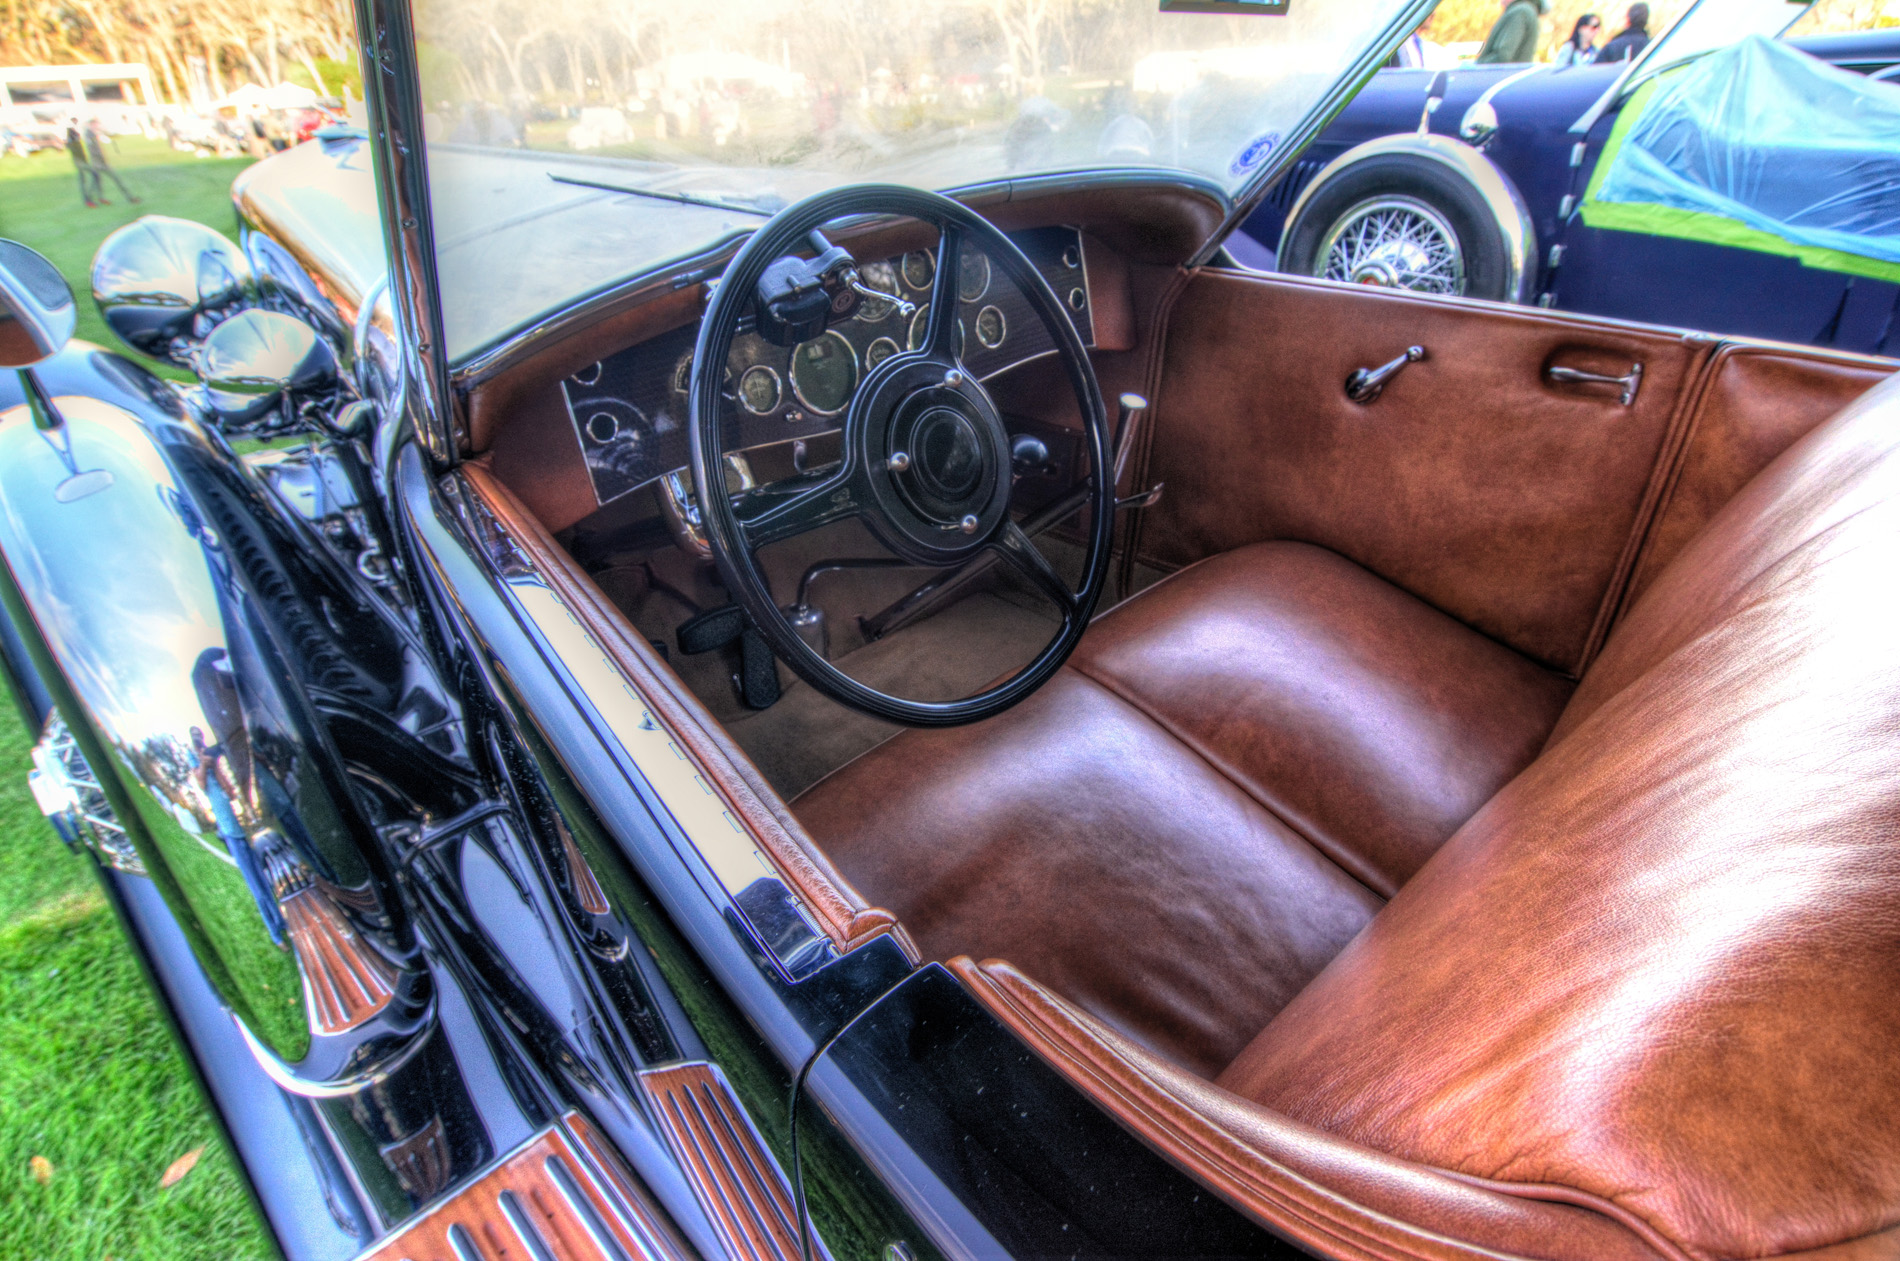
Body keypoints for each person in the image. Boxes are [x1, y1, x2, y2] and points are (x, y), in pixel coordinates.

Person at [189, 725, 287, 947]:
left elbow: (230, 792)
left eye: (201, 739)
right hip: (230, 832)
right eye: (196, 741)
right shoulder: (196, 767)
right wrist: (203, 765)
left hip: (241, 828)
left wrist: (215, 768)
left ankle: (282, 921)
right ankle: (276, 935)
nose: (200, 743)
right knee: (256, 886)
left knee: (264, 878)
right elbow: (201, 784)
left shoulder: (211, 765)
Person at [83, 120, 139, 205]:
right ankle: (130, 197)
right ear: (91, 125)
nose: (97, 126)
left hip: (100, 163)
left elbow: (108, 137)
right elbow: (93, 150)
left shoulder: (93, 134)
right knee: (107, 180)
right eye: (95, 124)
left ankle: (96, 199)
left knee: (97, 182)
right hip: (98, 164)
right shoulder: (89, 135)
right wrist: (101, 160)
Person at [1476, 0, 1549, 64]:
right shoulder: (1524, 10)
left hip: (1502, 77)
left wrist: (1478, 66)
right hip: (1511, 76)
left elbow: (1503, 55)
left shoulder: (1520, 12)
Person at [64, 119, 102, 207]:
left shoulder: (74, 136)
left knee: (83, 180)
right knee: (95, 175)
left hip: (81, 161)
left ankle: (87, 199)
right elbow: (73, 148)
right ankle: (88, 199)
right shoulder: (71, 136)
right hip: (80, 162)